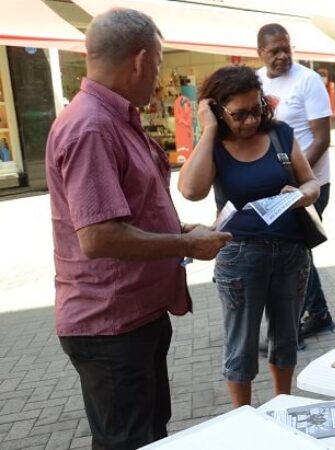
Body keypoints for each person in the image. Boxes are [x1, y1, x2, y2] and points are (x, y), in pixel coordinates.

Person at [45, 8, 231, 448]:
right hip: (110, 325)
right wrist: (186, 242)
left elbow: (132, 213)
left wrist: (183, 228)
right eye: (161, 64)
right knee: (128, 441)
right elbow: (98, 236)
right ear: (142, 61)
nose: (158, 74)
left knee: (148, 435)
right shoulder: (91, 126)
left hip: (134, 317)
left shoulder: (112, 118)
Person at [178, 65, 319, 407]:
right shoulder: (215, 144)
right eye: (239, 114)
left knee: (286, 340)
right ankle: (242, 420)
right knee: (240, 345)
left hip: (290, 253)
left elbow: (311, 181)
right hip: (240, 256)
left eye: (256, 110)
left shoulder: (280, 134)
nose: (250, 121)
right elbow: (191, 190)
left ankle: (282, 406)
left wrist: (304, 195)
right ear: (218, 111)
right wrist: (209, 130)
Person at [256, 23, 335, 343]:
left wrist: (297, 179)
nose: (282, 56)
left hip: (311, 182)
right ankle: (315, 312)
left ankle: (313, 314)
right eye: (274, 50)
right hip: (278, 185)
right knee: (294, 247)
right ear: (259, 52)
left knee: (296, 246)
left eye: (287, 48)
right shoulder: (256, 81)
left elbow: (322, 139)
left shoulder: (308, 80)